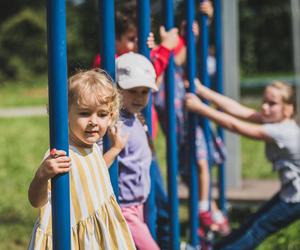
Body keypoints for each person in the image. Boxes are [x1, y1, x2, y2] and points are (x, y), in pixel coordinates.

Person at [185, 80, 300, 249]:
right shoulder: (278, 122)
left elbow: (235, 125)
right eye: (264, 102)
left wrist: (201, 109)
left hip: (296, 198)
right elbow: (238, 110)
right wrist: (203, 91)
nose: (265, 107)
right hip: (290, 192)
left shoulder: (282, 131)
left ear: (288, 109)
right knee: (254, 222)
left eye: (272, 104)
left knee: (257, 228)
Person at [28, 69, 135, 249]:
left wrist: (115, 149)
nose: (93, 121)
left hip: (98, 233)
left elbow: (97, 170)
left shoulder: (93, 148)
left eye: (101, 114)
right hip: (73, 238)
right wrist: (42, 176)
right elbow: (36, 201)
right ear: (65, 115)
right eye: (85, 113)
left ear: (111, 117)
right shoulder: (60, 155)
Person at [154, 0, 229, 238]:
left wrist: (202, 23)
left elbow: (185, 55)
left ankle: (205, 210)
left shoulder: (177, 67)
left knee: (201, 163)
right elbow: (174, 57)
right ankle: (211, 217)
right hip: (176, 131)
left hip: (191, 122)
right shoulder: (160, 64)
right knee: (189, 174)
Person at [112, 52, 160, 250]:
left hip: (137, 204)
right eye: (132, 91)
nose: (139, 97)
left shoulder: (135, 117)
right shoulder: (116, 123)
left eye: (144, 91)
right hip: (124, 207)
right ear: (116, 89)